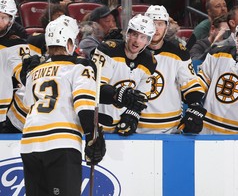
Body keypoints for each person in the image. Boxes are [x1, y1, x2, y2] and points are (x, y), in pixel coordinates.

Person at [20, 14, 148, 195]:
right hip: (61, 144)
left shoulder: (35, 71)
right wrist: (92, 137)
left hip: (29, 143)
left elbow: (27, 104)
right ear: (70, 43)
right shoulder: (80, 66)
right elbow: (85, 105)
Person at [138, 5, 206, 134]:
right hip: (136, 125)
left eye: (160, 24)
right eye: (152, 23)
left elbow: (189, 83)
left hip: (169, 128)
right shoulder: (134, 51)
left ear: (166, 27)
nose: (156, 28)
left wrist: (195, 105)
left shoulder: (178, 52)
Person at [91, 14, 157, 136]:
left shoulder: (149, 61)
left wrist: (132, 115)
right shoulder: (108, 50)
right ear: (127, 34)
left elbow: (141, 98)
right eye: (135, 34)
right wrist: (119, 93)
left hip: (120, 126)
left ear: (148, 41)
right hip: (95, 123)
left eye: (143, 37)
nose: (137, 41)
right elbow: (93, 88)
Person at [0, 0, 40, 133]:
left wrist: (26, 72)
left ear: (11, 20)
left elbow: (20, 70)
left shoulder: (16, 42)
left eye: (3, 17)